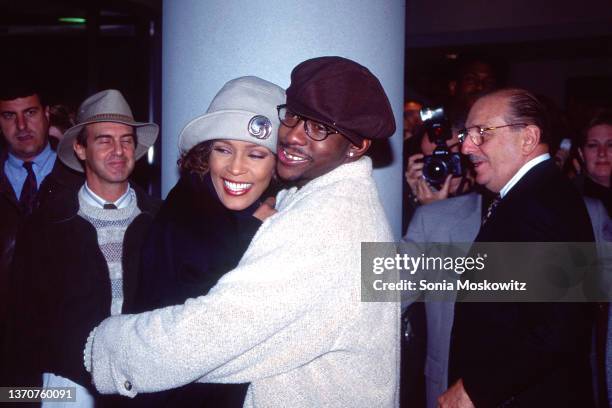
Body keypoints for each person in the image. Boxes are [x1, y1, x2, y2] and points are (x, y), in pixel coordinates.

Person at [85, 56, 399, 407]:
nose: (294, 135)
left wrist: (103, 346)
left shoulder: (327, 220)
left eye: (320, 127)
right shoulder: (199, 213)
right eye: (294, 115)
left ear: (356, 147)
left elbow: (218, 330)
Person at [129, 76, 284, 407]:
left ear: (277, 166)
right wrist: (252, 233)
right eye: (223, 150)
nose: (235, 168)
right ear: (206, 154)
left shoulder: (278, 213)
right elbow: (213, 321)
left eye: (255, 154)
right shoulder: (187, 215)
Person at [440, 88, 595, 408]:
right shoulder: (533, 196)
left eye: (481, 133)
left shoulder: (541, 204)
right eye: (466, 134)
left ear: (528, 138)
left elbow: (560, 326)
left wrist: (477, 389)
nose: (466, 146)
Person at [4, 89, 160, 407]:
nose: (118, 150)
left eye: (126, 140)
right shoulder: (47, 224)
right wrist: (15, 396)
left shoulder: (160, 220)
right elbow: (24, 320)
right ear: (80, 148)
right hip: (69, 383)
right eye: (104, 140)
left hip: (143, 378)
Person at [0, 82, 82, 363]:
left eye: (30, 112)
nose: (22, 125)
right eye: (9, 116)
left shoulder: (82, 182)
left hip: (65, 346)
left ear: (47, 114)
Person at [575, 110, 612, 216]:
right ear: (581, 154)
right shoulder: (571, 199)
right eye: (593, 145)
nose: (602, 153)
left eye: (610, 145)